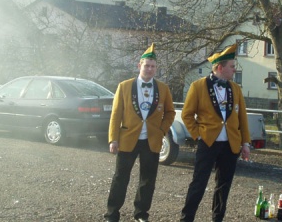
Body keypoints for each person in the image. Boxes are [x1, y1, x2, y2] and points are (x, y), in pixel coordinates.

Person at [104, 43, 176, 222]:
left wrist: (161, 130)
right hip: (128, 139)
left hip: (151, 141)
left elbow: (170, 113)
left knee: (148, 181)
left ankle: (141, 214)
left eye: (153, 66)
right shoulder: (124, 86)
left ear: (156, 68)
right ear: (139, 66)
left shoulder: (163, 88)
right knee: (120, 178)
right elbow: (116, 115)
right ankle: (112, 214)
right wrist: (113, 139)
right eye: (146, 65)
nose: (149, 69)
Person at [179, 44, 251, 222]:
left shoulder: (235, 88)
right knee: (199, 183)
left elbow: (242, 117)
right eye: (232, 67)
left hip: (230, 144)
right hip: (208, 142)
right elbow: (186, 114)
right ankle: (186, 218)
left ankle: (217, 218)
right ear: (220, 67)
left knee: (224, 185)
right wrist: (198, 134)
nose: (234, 70)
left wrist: (245, 143)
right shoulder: (198, 86)